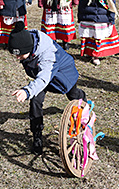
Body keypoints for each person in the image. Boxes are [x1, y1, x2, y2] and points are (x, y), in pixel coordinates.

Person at [8, 20, 86, 155]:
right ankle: (37, 136)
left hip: (63, 75)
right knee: (35, 101)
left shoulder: (48, 54)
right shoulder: (28, 42)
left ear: (28, 48)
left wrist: (27, 91)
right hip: (42, 76)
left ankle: (82, 101)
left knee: (73, 95)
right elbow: (41, 79)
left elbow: (44, 78)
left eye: (20, 54)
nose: (17, 58)